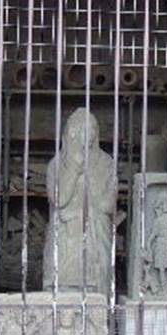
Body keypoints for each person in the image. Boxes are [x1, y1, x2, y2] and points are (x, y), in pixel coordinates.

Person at [42, 108, 116, 294]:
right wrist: (75, 169)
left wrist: (89, 212)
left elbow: (108, 204)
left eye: (94, 129)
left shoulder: (107, 163)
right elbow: (59, 200)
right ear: (73, 131)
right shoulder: (57, 164)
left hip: (96, 235)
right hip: (67, 236)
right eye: (86, 128)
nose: (91, 134)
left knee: (98, 287)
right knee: (62, 285)